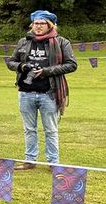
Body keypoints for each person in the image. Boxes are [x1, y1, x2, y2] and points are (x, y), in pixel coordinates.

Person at [6, 10, 77, 169]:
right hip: (26, 93)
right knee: (29, 130)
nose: (38, 26)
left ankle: (53, 163)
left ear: (49, 25)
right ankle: (30, 161)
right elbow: (11, 62)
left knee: (51, 130)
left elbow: (72, 65)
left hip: (50, 93)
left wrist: (45, 71)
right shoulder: (23, 42)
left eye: (42, 23)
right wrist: (22, 66)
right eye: (35, 23)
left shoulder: (61, 42)